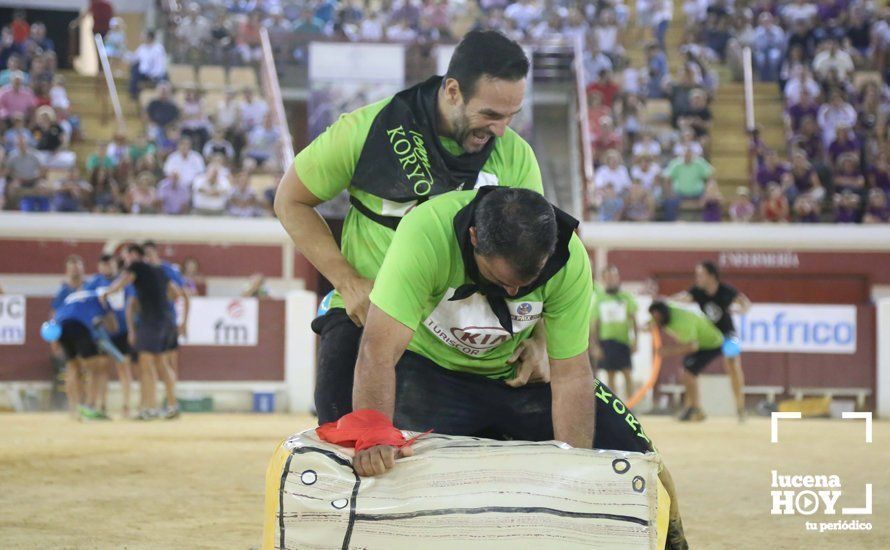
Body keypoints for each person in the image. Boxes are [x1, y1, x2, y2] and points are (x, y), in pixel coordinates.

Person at [347, 187, 688, 548]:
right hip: (431, 375)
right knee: (396, 474)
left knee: (634, 449)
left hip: (518, 376)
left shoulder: (569, 260)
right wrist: (374, 434)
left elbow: (572, 375)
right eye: (500, 281)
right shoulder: (425, 232)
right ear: (474, 238)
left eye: (525, 285)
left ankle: (672, 540)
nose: (511, 294)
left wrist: (576, 472)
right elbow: (378, 351)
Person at [274, 31, 549, 425]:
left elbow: (530, 253)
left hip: (460, 331)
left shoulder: (517, 156)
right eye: (490, 115)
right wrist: (347, 282)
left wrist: (540, 342)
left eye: (511, 116)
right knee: (345, 434)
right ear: (452, 91)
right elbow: (290, 200)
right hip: (368, 316)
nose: (502, 130)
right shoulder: (366, 130)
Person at [102, 244, 181, 420]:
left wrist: (106, 293)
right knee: (161, 362)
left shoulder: (136, 266)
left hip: (150, 320)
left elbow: (122, 282)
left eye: (125, 255)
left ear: (133, 254)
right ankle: (172, 404)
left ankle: (150, 408)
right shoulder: (159, 270)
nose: (124, 259)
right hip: (165, 319)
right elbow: (175, 294)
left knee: (146, 363)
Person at [669, 261, 750, 420]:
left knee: (733, 364)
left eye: (700, 274)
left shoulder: (726, 291)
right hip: (708, 338)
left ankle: (740, 408)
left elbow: (745, 303)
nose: (697, 278)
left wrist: (741, 310)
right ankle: (693, 408)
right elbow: (683, 298)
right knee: (688, 369)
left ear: (711, 276)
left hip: (728, 335)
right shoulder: (697, 291)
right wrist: (665, 301)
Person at [649, 300, 726, 422]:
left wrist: (667, 351)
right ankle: (692, 407)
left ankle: (695, 409)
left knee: (689, 373)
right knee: (687, 373)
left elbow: (692, 346)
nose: (655, 320)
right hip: (702, 343)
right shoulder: (668, 312)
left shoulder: (683, 322)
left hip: (711, 344)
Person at [49, 288, 119, 420]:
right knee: (94, 368)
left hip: (61, 327)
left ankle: (73, 410)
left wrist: (54, 341)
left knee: (72, 367)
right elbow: (113, 326)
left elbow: (56, 315)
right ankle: (90, 407)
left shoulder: (74, 296)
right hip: (79, 327)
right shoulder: (101, 298)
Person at [85, 254, 135, 417]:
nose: (107, 268)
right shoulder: (94, 283)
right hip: (102, 333)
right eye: (104, 265)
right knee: (102, 369)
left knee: (124, 367)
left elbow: (131, 304)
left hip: (121, 330)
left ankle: (126, 406)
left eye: (110, 264)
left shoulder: (124, 282)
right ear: (100, 267)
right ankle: (101, 405)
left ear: (115, 265)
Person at [143, 240, 190, 381]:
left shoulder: (167, 270)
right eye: (145, 255)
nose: (148, 257)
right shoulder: (141, 272)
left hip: (166, 319)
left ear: (156, 253)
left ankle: (170, 398)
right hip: (148, 321)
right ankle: (160, 397)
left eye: (150, 254)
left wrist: (184, 322)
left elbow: (184, 295)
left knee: (170, 359)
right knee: (149, 361)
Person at [589, 266, 638, 400]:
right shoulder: (600, 299)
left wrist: (635, 341)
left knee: (627, 373)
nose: (611, 280)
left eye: (614, 276)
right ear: (604, 279)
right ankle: (616, 408)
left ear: (618, 278)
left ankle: (631, 405)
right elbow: (595, 325)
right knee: (610, 375)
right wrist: (595, 346)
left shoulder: (626, 297)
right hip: (606, 342)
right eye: (608, 277)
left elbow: (633, 320)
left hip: (623, 341)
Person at [128, 30, 167, 100]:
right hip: (143, 74)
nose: (142, 38)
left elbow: (160, 66)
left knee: (164, 79)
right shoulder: (142, 48)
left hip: (155, 74)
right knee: (134, 71)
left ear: (149, 37)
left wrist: (154, 75)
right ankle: (134, 96)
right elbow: (134, 58)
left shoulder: (158, 49)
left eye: (145, 36)